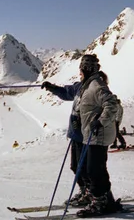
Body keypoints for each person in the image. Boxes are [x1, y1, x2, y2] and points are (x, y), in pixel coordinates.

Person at [74, 54, 122, 218]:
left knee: (94, 170)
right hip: (92, 133)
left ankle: (100, 202)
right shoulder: (88, 85)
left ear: (86, 69)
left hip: (98, 134)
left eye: (81, 69)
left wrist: (100, 122)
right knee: (96, 169)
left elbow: (112, 104)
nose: (79, 72)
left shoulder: (96, 85)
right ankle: (105, 200)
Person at [41, 77, 89, 206]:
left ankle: (90, 193)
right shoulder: (80, 86)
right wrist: (52, 88)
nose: (80, 73)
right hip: (76, 133)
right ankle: (85, 190)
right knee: (75, 166)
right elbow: (67, 92)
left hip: (86, 135)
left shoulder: (93, 87)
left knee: (83, 167)